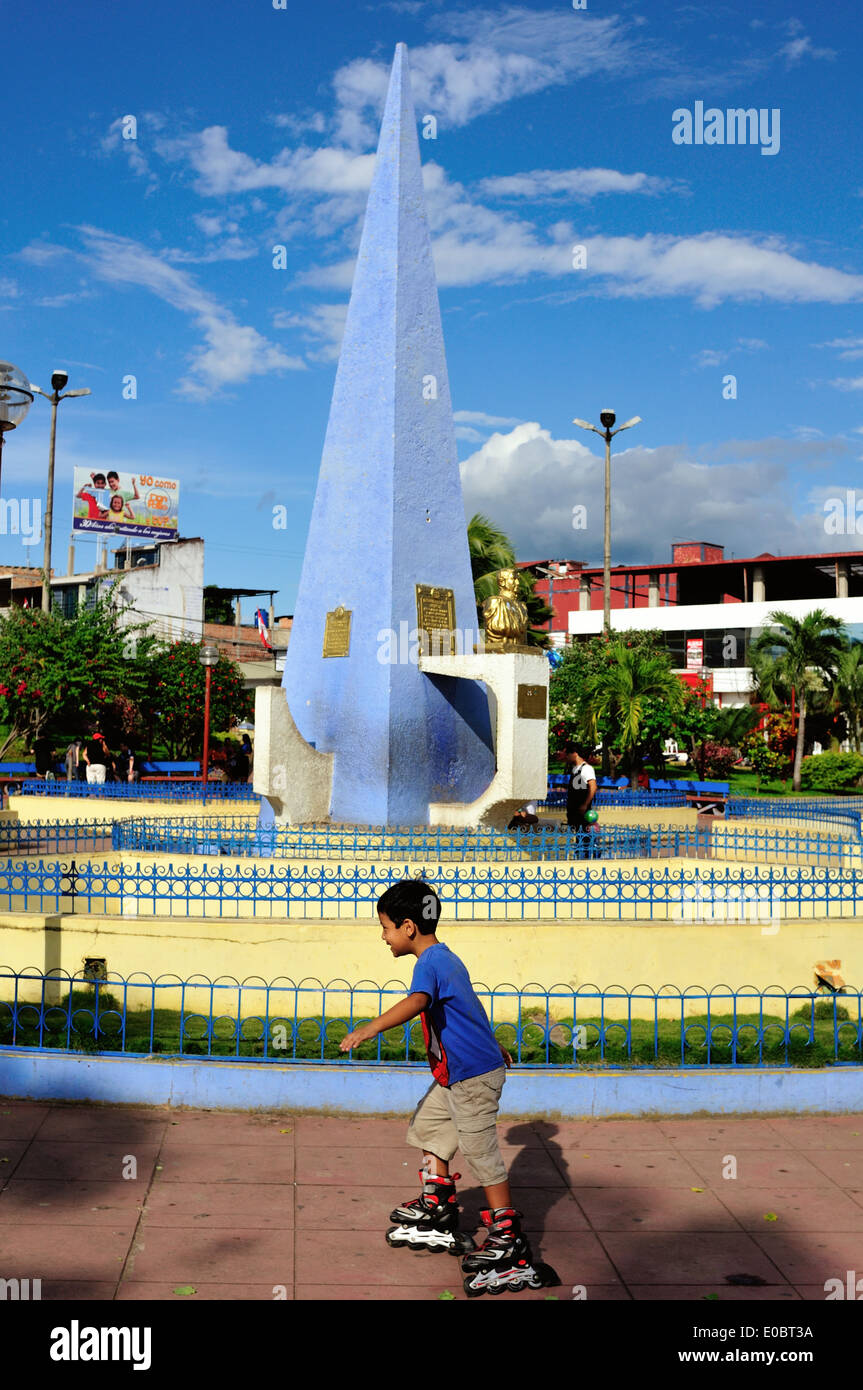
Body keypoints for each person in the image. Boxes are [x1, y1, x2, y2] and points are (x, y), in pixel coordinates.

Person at [339, 879, 557, 1297]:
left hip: (473, 1078)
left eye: (384, 928)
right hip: (456, 1073)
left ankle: (509, 1240)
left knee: (480, 1152)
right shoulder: (445, 958)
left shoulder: (430, 964)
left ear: (407, 927)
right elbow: (468, 1007)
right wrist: (494, 1044)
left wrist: (369, 1028)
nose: (383, 937)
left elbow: (418, 1002)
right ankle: (437, 1201)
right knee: (429, 1126)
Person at [564, 743, 597, 858]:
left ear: (575, 754)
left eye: (567, 754)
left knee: (585, 832)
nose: (566, 757)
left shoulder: (586, 769)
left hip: (582, 808)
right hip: (574, 807)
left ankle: (588, 854)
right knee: (578, 832)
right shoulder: (574, 769)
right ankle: (579, 854)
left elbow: (593, 787)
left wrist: (585, 804)